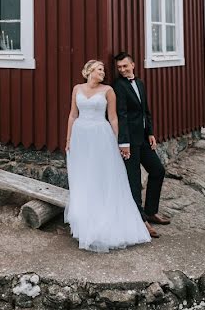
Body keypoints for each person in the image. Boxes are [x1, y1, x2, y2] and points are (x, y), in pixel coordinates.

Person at [64, 59, 152, 252]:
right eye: (99, 69)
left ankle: (103, 222)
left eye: (103, 70)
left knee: (101, 177)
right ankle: (85, 222)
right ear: (89, 71)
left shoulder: (108, 91)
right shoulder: (76, 88)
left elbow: (113, 118)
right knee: (83, 177)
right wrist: (69, 139)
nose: (103, 73)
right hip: (80, 137)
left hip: (100, 137)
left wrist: (119, 142)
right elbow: (72, 115)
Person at [112, 52, 170, 238]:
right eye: (119, 67)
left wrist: (150, 132)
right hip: (129, 141)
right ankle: (141, 220)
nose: (122, 70)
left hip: (143, 139)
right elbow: (122, 116)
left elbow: (146, 111)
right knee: (134, 180)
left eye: (125, 66)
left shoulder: (140, 83)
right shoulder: (118, 87)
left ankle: (151, 211)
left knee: (158, 170)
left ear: (133, 65)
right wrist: (124, 143)